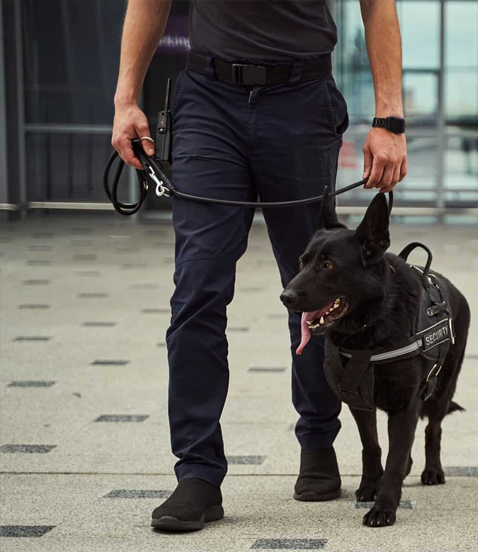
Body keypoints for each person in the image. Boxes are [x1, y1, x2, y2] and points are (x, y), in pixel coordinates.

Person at [111, 0, 407, 531]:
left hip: (301, 99)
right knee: (197, 289)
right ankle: (198, 473)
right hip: (207, 100)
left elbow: (377, 7)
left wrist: (389, 116)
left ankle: (318, 439)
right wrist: (125, 98)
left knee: (322, 288)